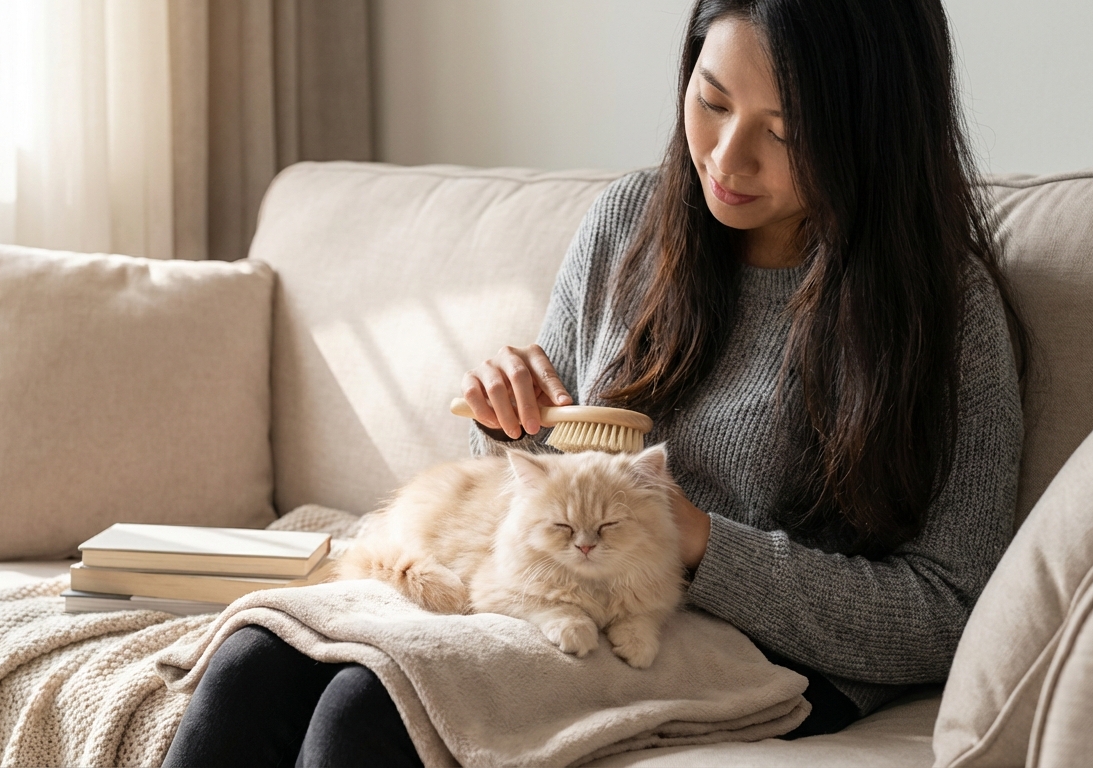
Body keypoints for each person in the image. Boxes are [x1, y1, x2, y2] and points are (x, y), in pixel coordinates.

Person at [163, 0, 1025, 764]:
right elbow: (541, 477)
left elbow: (949, 609)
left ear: (869, 129)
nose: (727, 156)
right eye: (712, 100)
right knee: (258, 662)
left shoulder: (945, 312)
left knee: (373, 708)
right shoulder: (630, 227)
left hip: (755, 650)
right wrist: (512, 431)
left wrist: (698, 541)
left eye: (785, 132)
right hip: (570, 594)